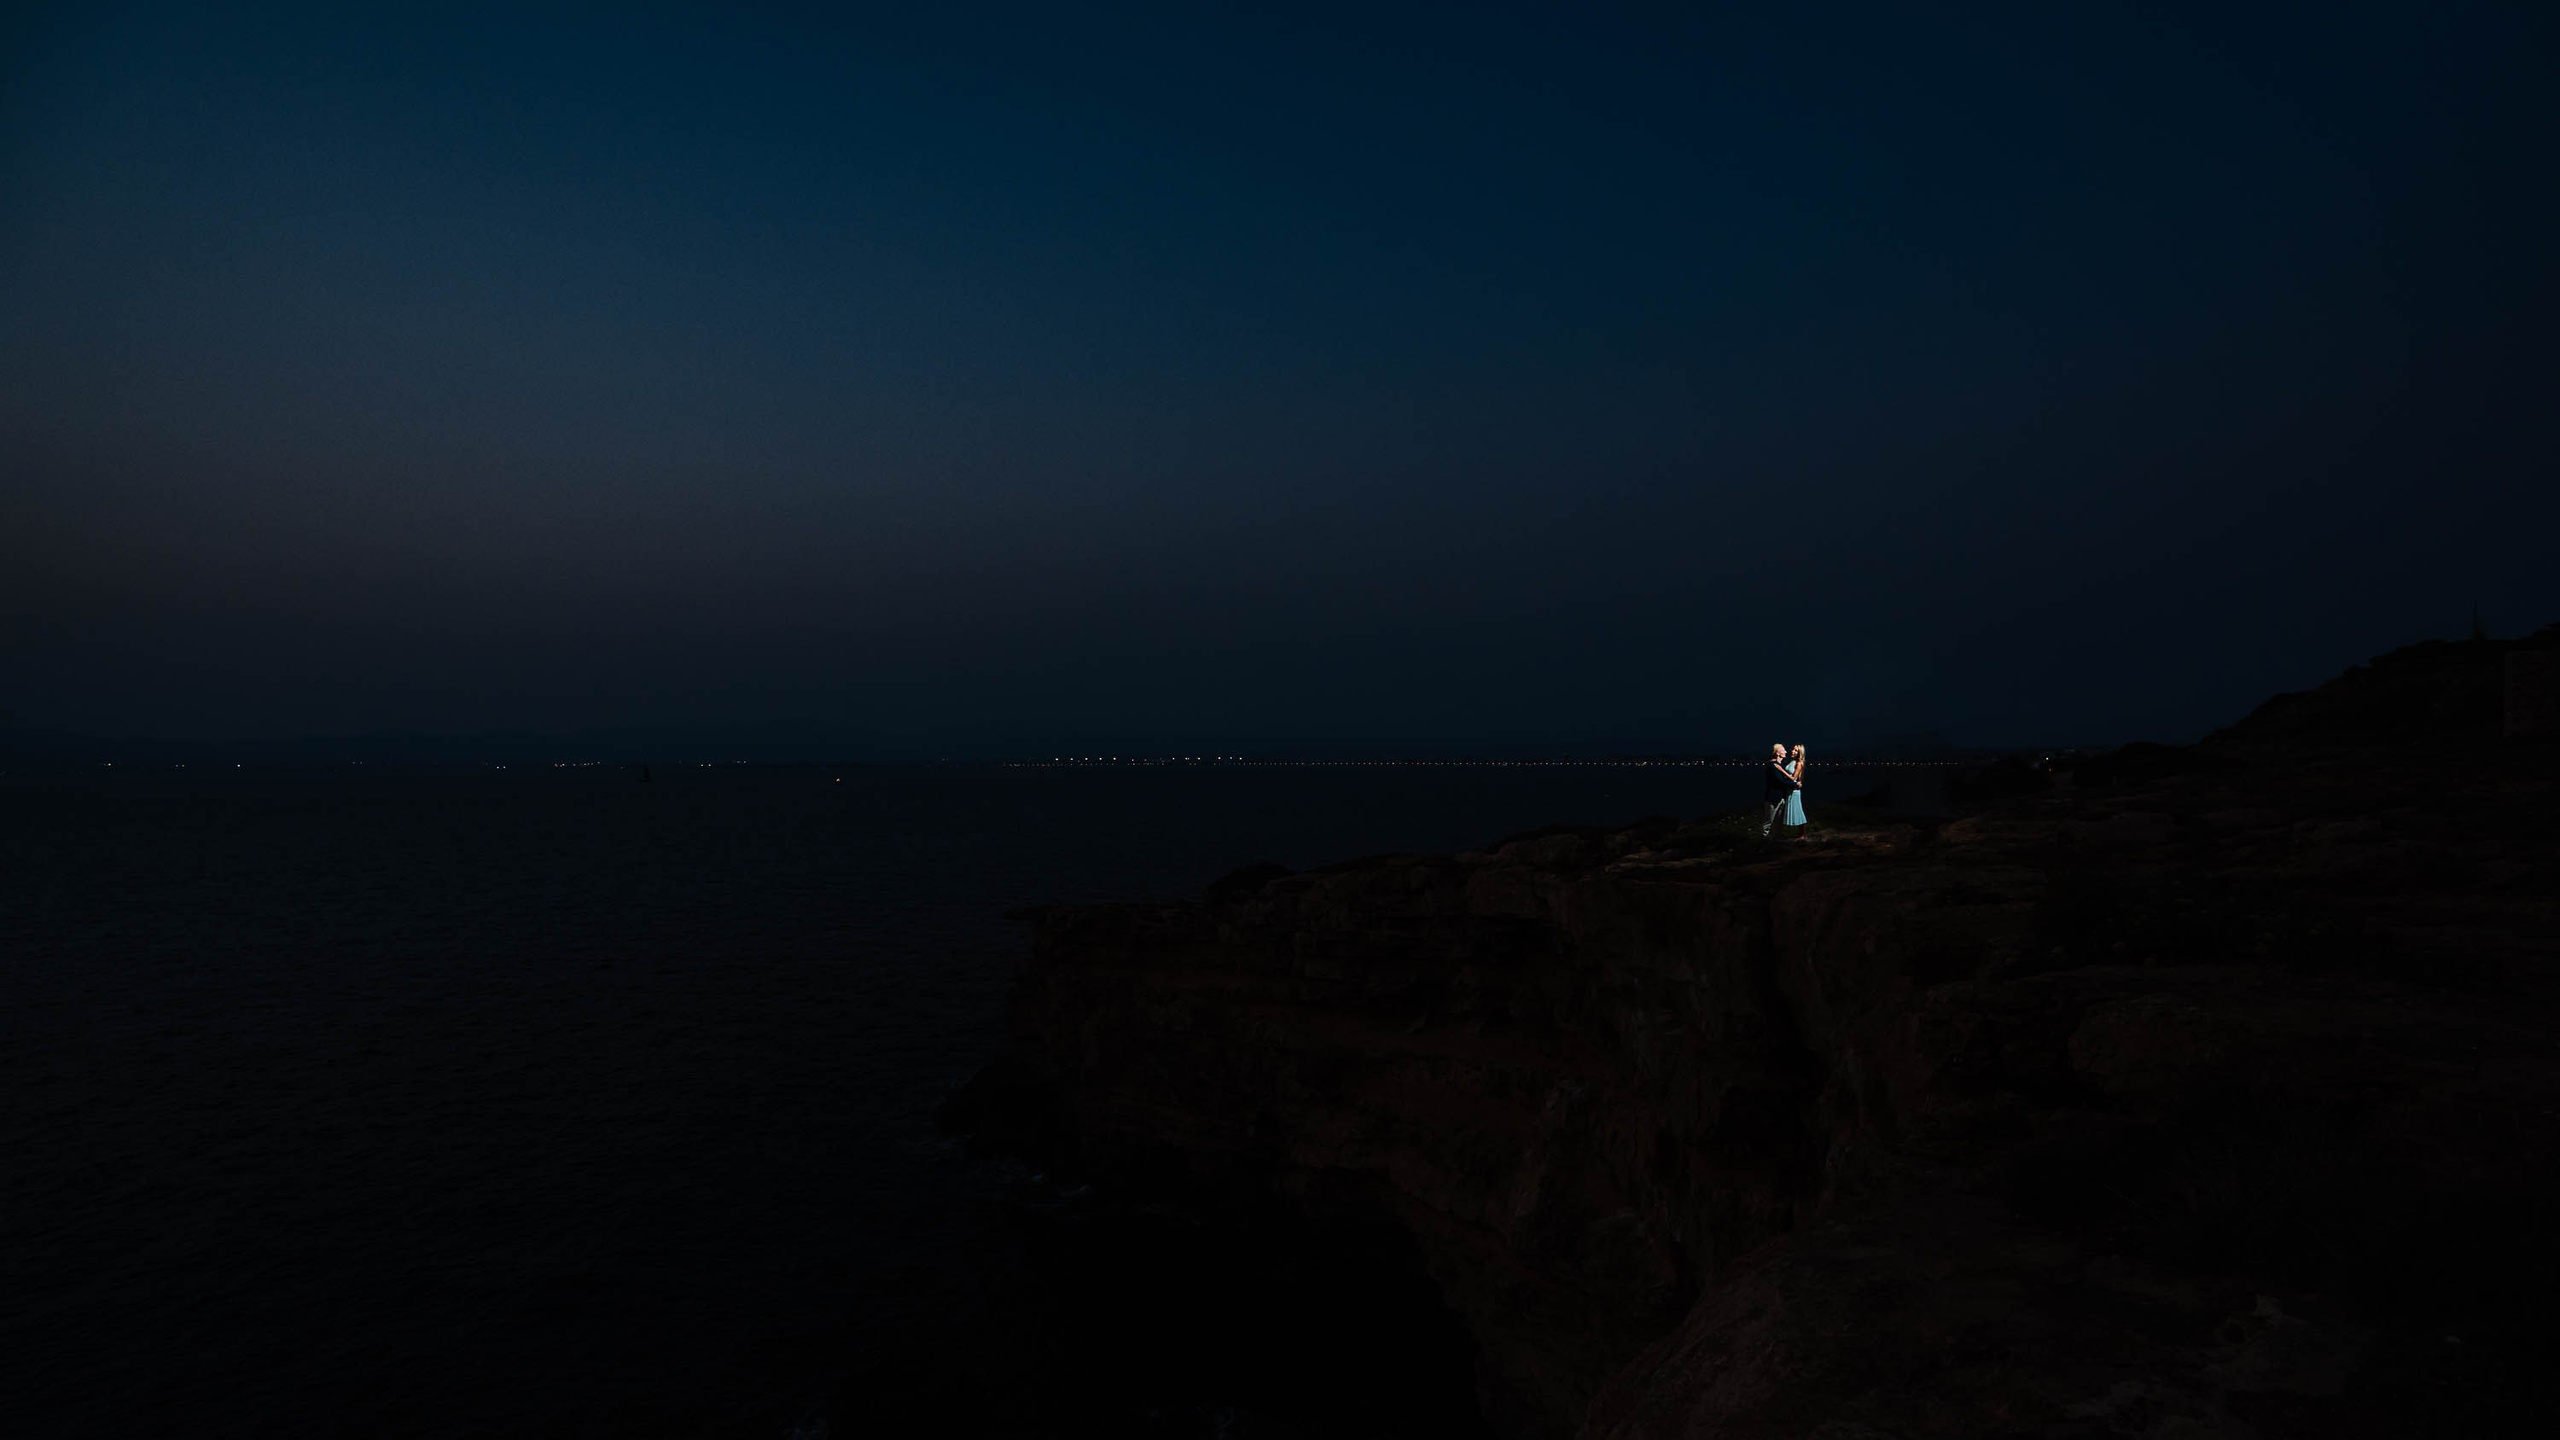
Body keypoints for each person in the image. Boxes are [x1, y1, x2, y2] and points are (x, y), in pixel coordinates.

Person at [1762, 743, 1800, 836]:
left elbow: (1783, 779)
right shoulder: (1773, 766)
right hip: (1773, 798)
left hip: (1779, 797)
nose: (1786, 751)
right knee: (1769, 822)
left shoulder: (1779, 765)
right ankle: (1763, 841)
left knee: (1778, 823)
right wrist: (1795, 784)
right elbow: (1780, 781)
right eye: (1783, 750)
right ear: (1778, 753)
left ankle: (1776, 843)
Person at [1783, 744, 1809, 838]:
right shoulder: (1792, 761)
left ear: (1799, 753)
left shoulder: (1799, 763)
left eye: (1796, 750)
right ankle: (1801, 834)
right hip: (1790, 789)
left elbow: (1793, 777)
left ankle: (1803, 834)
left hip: (1794, 791)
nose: (1792, 751)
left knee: (1798, 811)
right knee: (1797, 811)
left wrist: (1782, 771)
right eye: (1793, 749)